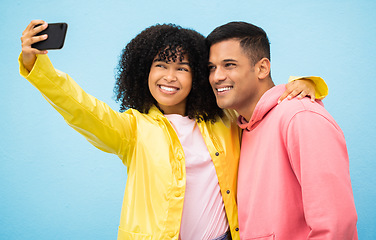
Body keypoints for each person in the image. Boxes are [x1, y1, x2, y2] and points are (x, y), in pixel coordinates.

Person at [20, 20, 326, 240]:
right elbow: (81, 108)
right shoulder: (132, 130)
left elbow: (259, 96)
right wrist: (39, 67)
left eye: (183, 68)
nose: (170, 77)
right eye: (160, 65)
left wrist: (304, 82)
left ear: (197, 78)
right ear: (143, 72)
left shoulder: (224, 119)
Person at [206, 21, 358, 240]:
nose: (216, 77)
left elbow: (336, 223)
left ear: (262, 68)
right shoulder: (242, 125)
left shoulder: (301, 117)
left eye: (229, 65)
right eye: (212, 67)